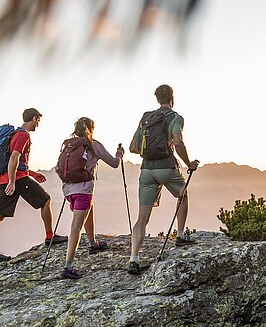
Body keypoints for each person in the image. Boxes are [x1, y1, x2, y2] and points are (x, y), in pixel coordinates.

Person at [127, 84, 199, 275]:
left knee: (141, 219)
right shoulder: (175, 118)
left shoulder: (146, 118)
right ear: (172, 98)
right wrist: (189, 163)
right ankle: (181, 235)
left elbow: (133, 147)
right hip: (167, 167)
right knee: (182, 194)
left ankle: (134, 258)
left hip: (146, 170)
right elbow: (178, 141)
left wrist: (149, 151)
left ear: (156, 99)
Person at [0, 108, 66, 264]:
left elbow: (16, 161)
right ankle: (50, 236)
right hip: (17, 180)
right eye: (38, 121)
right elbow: (14, 158)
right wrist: (12, 181)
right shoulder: (23, 135)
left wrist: (31, 173)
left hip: (6, 179)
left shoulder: (14, 134)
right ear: (34, 118)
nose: (38, 124)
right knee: (45, 200)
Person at [58, 116, 124, 280]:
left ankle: (94, 244)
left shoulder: (70, 145)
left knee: (88, 211)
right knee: (76, 227)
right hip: (83, 190)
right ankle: (68, 265)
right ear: (91, 128)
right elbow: (114, 163)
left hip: (68, 190)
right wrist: (119, 154)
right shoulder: (94, 145)